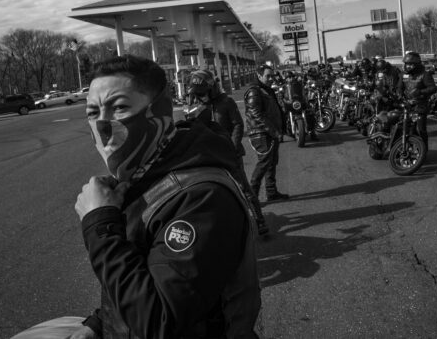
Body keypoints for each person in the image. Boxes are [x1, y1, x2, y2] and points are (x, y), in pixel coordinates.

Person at [72, 54, 260, 339]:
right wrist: (99, 324)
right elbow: (141, 273)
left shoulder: (203, 197)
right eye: (92, 112)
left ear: (158, 110)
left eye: (119, 107)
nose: (102, 124)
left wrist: (99, 225)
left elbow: (159, 321)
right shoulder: (143, 176)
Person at [186, 69, 270, 235]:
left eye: (202, 93)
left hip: (229, 152)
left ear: (211, 89)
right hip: (207, 156)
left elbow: (238, 124)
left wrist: (232, 145)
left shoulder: (226, 102)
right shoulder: (195, 106)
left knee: (244, 188)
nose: (200, 96)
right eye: (197, 94)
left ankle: (259, 220)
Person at [244, 64, 288, 202]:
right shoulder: (254, 91)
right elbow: (256, 113)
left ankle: (271, 192)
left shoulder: (266, 90)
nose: (271, 78)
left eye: (272, 75)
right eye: (267, 76)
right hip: (260, 132)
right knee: (264, 163)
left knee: (272, 162)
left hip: (269, 131)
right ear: (259, 76)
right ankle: (252, 197)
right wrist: (273, 130)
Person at [396, 51, 437, 151]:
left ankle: (423, 151)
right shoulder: (404, 75)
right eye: (407, 64)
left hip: (420, 105)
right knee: (406, 129)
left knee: (421, 129)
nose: (408, 66)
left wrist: (419, 92)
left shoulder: (424, 74)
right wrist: (399, 94)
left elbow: (433, 88)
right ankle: (408, 149)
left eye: (410, 64)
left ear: (416, 64)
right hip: (407, 105)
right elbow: (399, 88)